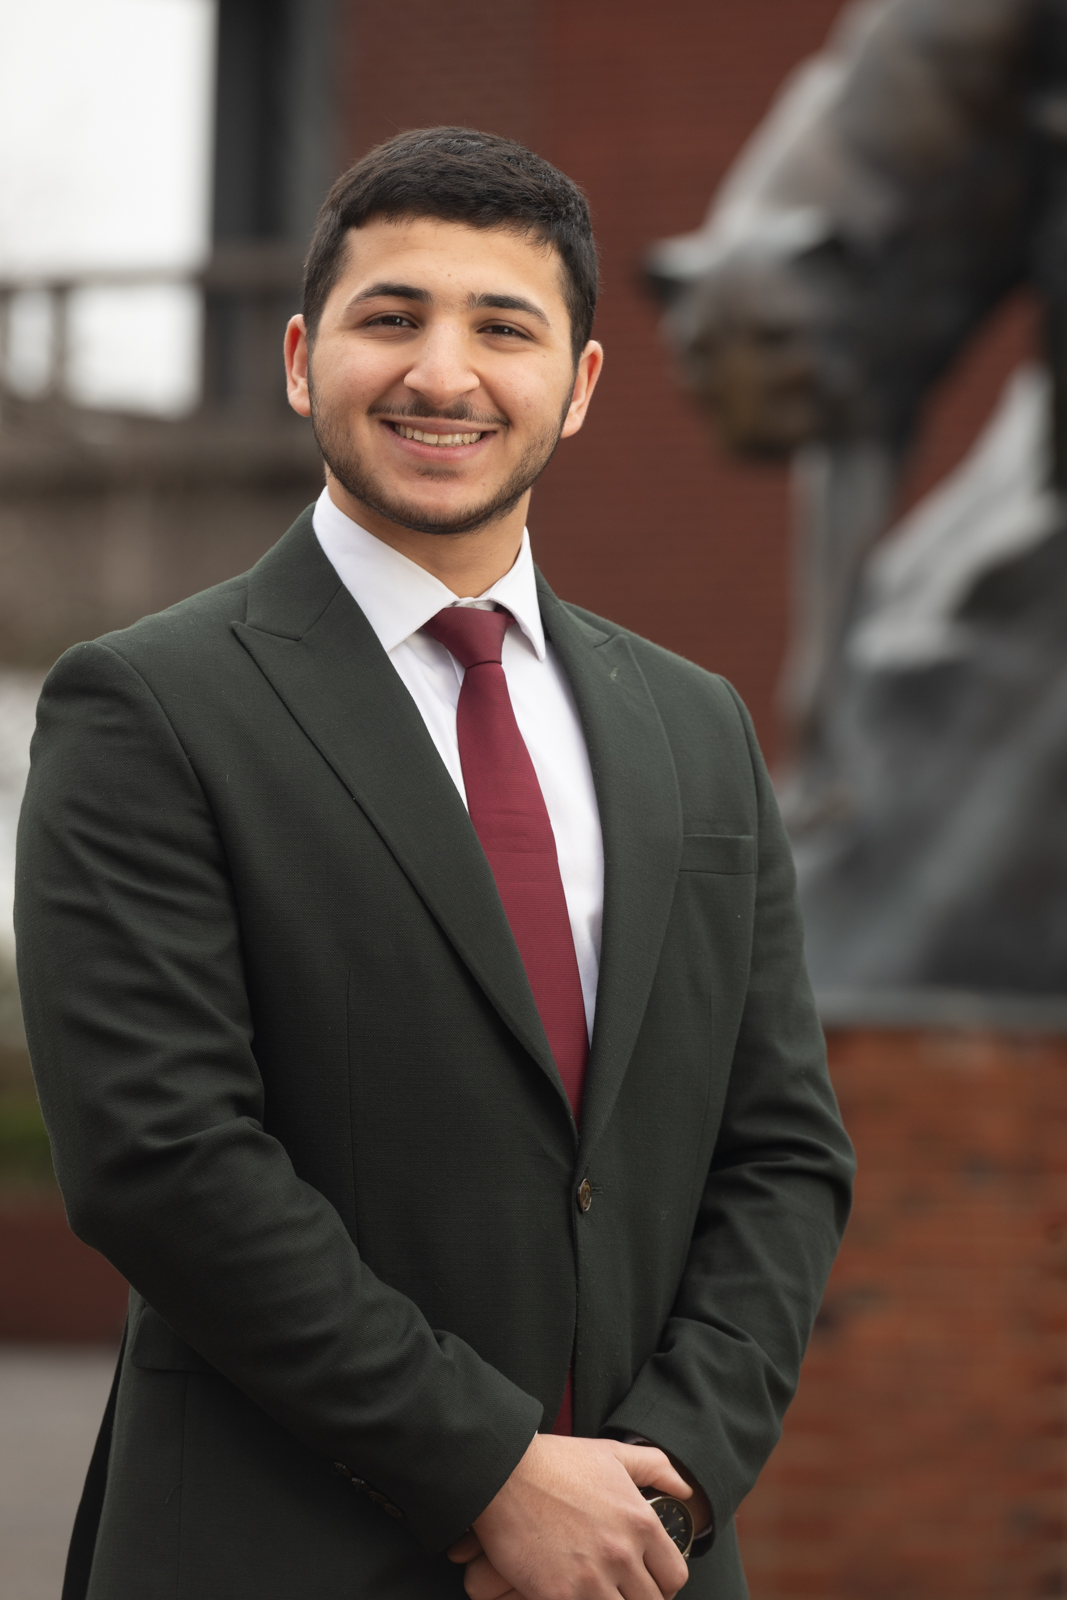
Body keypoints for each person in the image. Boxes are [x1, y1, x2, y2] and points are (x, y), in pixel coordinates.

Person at [15, 128, 854, 1600]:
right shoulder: (147, 706)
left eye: (504, 328)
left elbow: (781, 1152)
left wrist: (671, 1473)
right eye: (390, 317)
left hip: (642, 1560)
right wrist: (489, 1471)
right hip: (275, 1552)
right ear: (299, 357)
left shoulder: (697, 724)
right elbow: (162, 1160)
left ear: (580, 386)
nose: (442, 375)